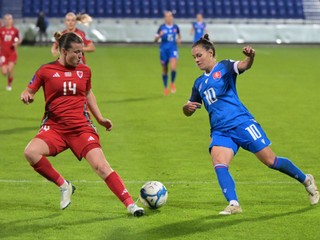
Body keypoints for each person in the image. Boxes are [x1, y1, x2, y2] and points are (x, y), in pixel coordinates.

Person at [182, 34, 319, 215]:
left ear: (211, 52)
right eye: (194, 57)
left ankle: (306, 180)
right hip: (220, 131)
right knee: (219, 163)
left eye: (199, 55)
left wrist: (251, 56)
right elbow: (190, 108)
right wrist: (186, 108)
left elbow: (244, 65)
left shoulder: (224, 66)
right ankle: (233, 203)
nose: (196, 60)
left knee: (271, 161)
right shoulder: (198, 83)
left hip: (242, 123)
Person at [20, 32, 144, 217]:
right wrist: (27, 96)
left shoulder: (85, 70)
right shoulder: (45, 70)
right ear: (63, 51)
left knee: (101, 167)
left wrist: (100, 118)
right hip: (55, 127)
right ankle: (64, 185)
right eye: (76, 52)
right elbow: (29, 90)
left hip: (81, 128)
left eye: (81, 52)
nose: (80, 56)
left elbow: (88, 94)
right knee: (30, 152)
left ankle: (130, 204)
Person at [154, 11, 181, 96]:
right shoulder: (161, 28)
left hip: (173, 49)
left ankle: (172, 83)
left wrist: (179, 40)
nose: (168, 18)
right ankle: (165, 87)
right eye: (167, 16)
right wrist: (159, 36)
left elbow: (179, 35)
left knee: (173, 67)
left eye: (170, 16)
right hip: (163, 50)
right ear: (165, 18)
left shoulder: (176, 27)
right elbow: (155, 40)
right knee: (165, 69)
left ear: (172, 17)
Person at [0, 14, 20, 91]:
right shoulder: (1, 30)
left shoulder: (15, 30)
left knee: (10, 69)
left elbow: (18, 39)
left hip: (12, 53)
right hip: (2, 53)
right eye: (6, 19)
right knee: (4, 72)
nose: (7, 21)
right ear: (4, 20)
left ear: (12, 20)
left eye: (9, 19)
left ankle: (9, 85)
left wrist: (16, 43)